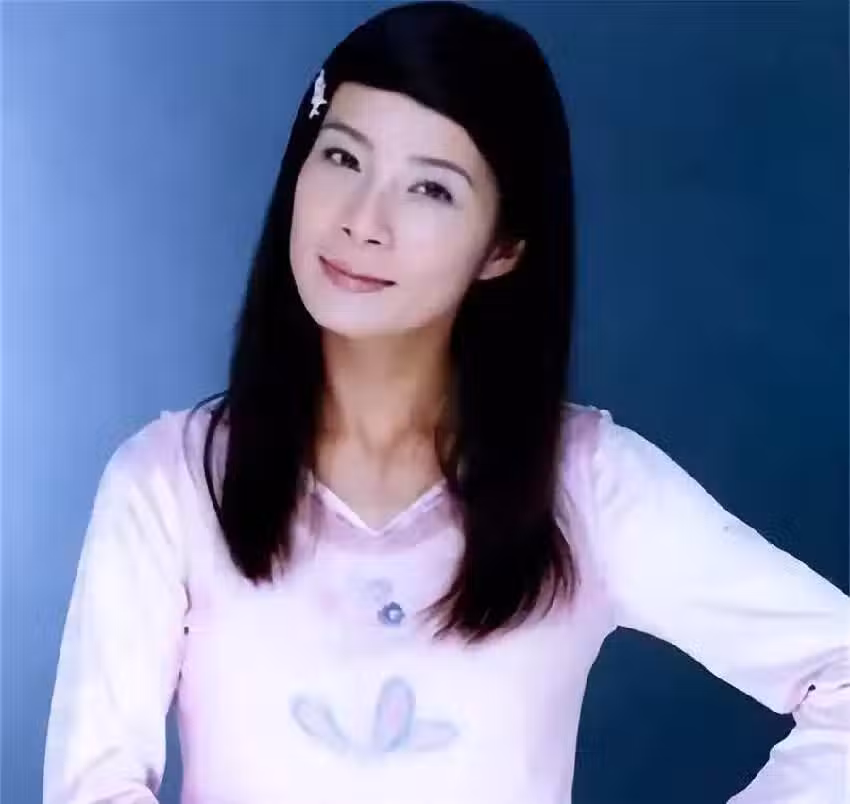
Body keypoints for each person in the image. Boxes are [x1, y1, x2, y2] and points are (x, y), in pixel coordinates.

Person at [43, 3, 849, 803]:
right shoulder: (171, 482)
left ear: (503, 247)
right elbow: (94, 786)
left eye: (430, 188)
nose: (363, 221)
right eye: (343, 157)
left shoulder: (590, 485)